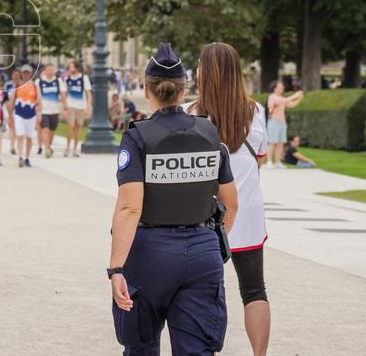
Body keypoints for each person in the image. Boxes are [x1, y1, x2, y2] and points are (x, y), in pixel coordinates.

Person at [109, 43, 238, 355]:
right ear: (185, 89)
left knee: (141, 347)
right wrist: (209, 242)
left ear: (146, 90)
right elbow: (231, 203)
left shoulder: (139, 137)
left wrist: (115, 270)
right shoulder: (210, 134)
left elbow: (129, 207)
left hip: (150, 253)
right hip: (202, 250)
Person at [185, 41, 271, 356]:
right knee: (254, 290)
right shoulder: (255, 111)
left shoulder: (190, 114)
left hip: (205, 215)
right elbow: (259, 155)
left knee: (204, 293)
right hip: (246, 213)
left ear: (204, 73)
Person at [267, 82, 304, 169]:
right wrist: (295, 95)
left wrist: (299, 98)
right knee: (272, 142)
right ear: (275, 88)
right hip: (274, 121)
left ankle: (277, 162)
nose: (283, 87)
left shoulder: (282, 98)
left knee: (281, 143)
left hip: (282, 122)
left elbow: (291, 104)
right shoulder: (272, 97)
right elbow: (284, 101)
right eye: (280, 86)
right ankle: (269, 161)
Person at [35, 62, 66, 158]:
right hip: (44, 110)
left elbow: (63, 95)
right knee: (45, 129)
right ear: (45, 71)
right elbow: (36, 96)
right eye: (49, 70)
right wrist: (37, 108)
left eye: (53, 70)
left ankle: (49, 146)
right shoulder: (39, 82)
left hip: (55, 110)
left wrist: (65, 108)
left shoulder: (58, 81)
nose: (51, 72)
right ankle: (47, 148)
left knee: (52, 130)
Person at [13, 64, 38, 167]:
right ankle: (20, 156)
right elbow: (12, 100)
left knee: (29, 137)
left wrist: (39, 111)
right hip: (19, 113)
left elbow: (38, 98)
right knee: (20, 135)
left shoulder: (34, 85)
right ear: (22, 73)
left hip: (31, 114)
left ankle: (27, 157)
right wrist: (10, 115)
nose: (26, 74)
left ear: (30, 73)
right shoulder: (17, 85)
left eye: (28, 73)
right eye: (24, 72)